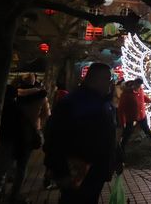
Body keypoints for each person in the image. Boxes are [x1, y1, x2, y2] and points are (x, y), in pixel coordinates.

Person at [44, 63, 120, 204]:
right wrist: (61, 171)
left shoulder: (104, 103)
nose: (111, 83)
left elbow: (107, 135)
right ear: (96, 79)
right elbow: (55, 138)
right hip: (78, 171)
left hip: (97, 170)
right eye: (108, 79)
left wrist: (114, 159)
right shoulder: (73, 102)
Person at [10, 73, 50, 203]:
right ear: (34, 82)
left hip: (12, 131)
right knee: (22, 165)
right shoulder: (41, 96)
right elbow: (46, 114)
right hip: (30, 132)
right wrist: (38, 126)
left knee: (6, 161)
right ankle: (15, 194)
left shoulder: (13, 94)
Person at [118, 78, 151, 151]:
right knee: (127, 132)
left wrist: (149, 100)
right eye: (138, 85)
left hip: (142, 116)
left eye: (140, 85)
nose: (139, 86)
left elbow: (143, 96)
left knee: (146, 129)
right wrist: (122, 121)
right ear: (134, 84)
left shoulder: (140, 90)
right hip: (131, 117)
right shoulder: (126, 94)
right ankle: (121, 147)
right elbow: (121, 109)